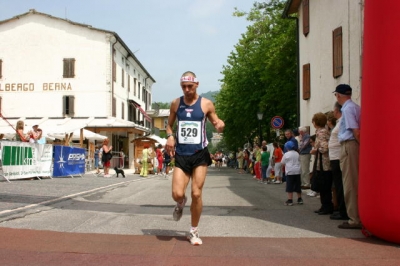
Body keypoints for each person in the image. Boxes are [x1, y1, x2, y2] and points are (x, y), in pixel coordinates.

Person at [165, 71, 225, 246]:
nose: (186, 89)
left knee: (196, 193)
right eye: (183, 86)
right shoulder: (176, 103)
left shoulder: (206, 104)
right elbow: (169, 125)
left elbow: (216, 122)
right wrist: (170, 136)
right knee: (177, 194)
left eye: (190, 86)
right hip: (182, 154)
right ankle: (181, 203)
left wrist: (220, 125)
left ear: (197, 84)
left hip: (200, 154)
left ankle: (194, 230)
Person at [333, 84, 361, 229]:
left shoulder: (348, 109)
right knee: (353, 181)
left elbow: (355, 131)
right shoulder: (355, 107)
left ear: (338, 95)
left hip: (349, 145)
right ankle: (356, 216)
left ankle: (354, 218)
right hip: (352, 145)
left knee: (350, 182)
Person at [328, 102, 348, 221]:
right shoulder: (339, 122)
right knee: (338, 184)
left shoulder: (342, 122)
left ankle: (343, 210)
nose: (333, 111)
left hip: (338, 156)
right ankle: (340, 209)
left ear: (337, 110)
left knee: (340, 184)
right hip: (335, 157)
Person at [311, 112, 333, 215]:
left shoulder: (321, 133)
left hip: (323, 163)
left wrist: (315, 150)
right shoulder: (324, 131)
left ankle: (326, 206)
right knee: (324, 186)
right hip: (323, 162)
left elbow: (324, 148)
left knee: (324, 186)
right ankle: (324, 206)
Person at [281, 141, 303, 205]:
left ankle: (290, 200)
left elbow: (282, 162)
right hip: (297, 171)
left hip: (290, 171)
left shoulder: (286, 154)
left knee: (290, 185)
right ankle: (299, 199)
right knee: (297, 185)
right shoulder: (297, 153)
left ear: (287, 147)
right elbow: (299, 160)